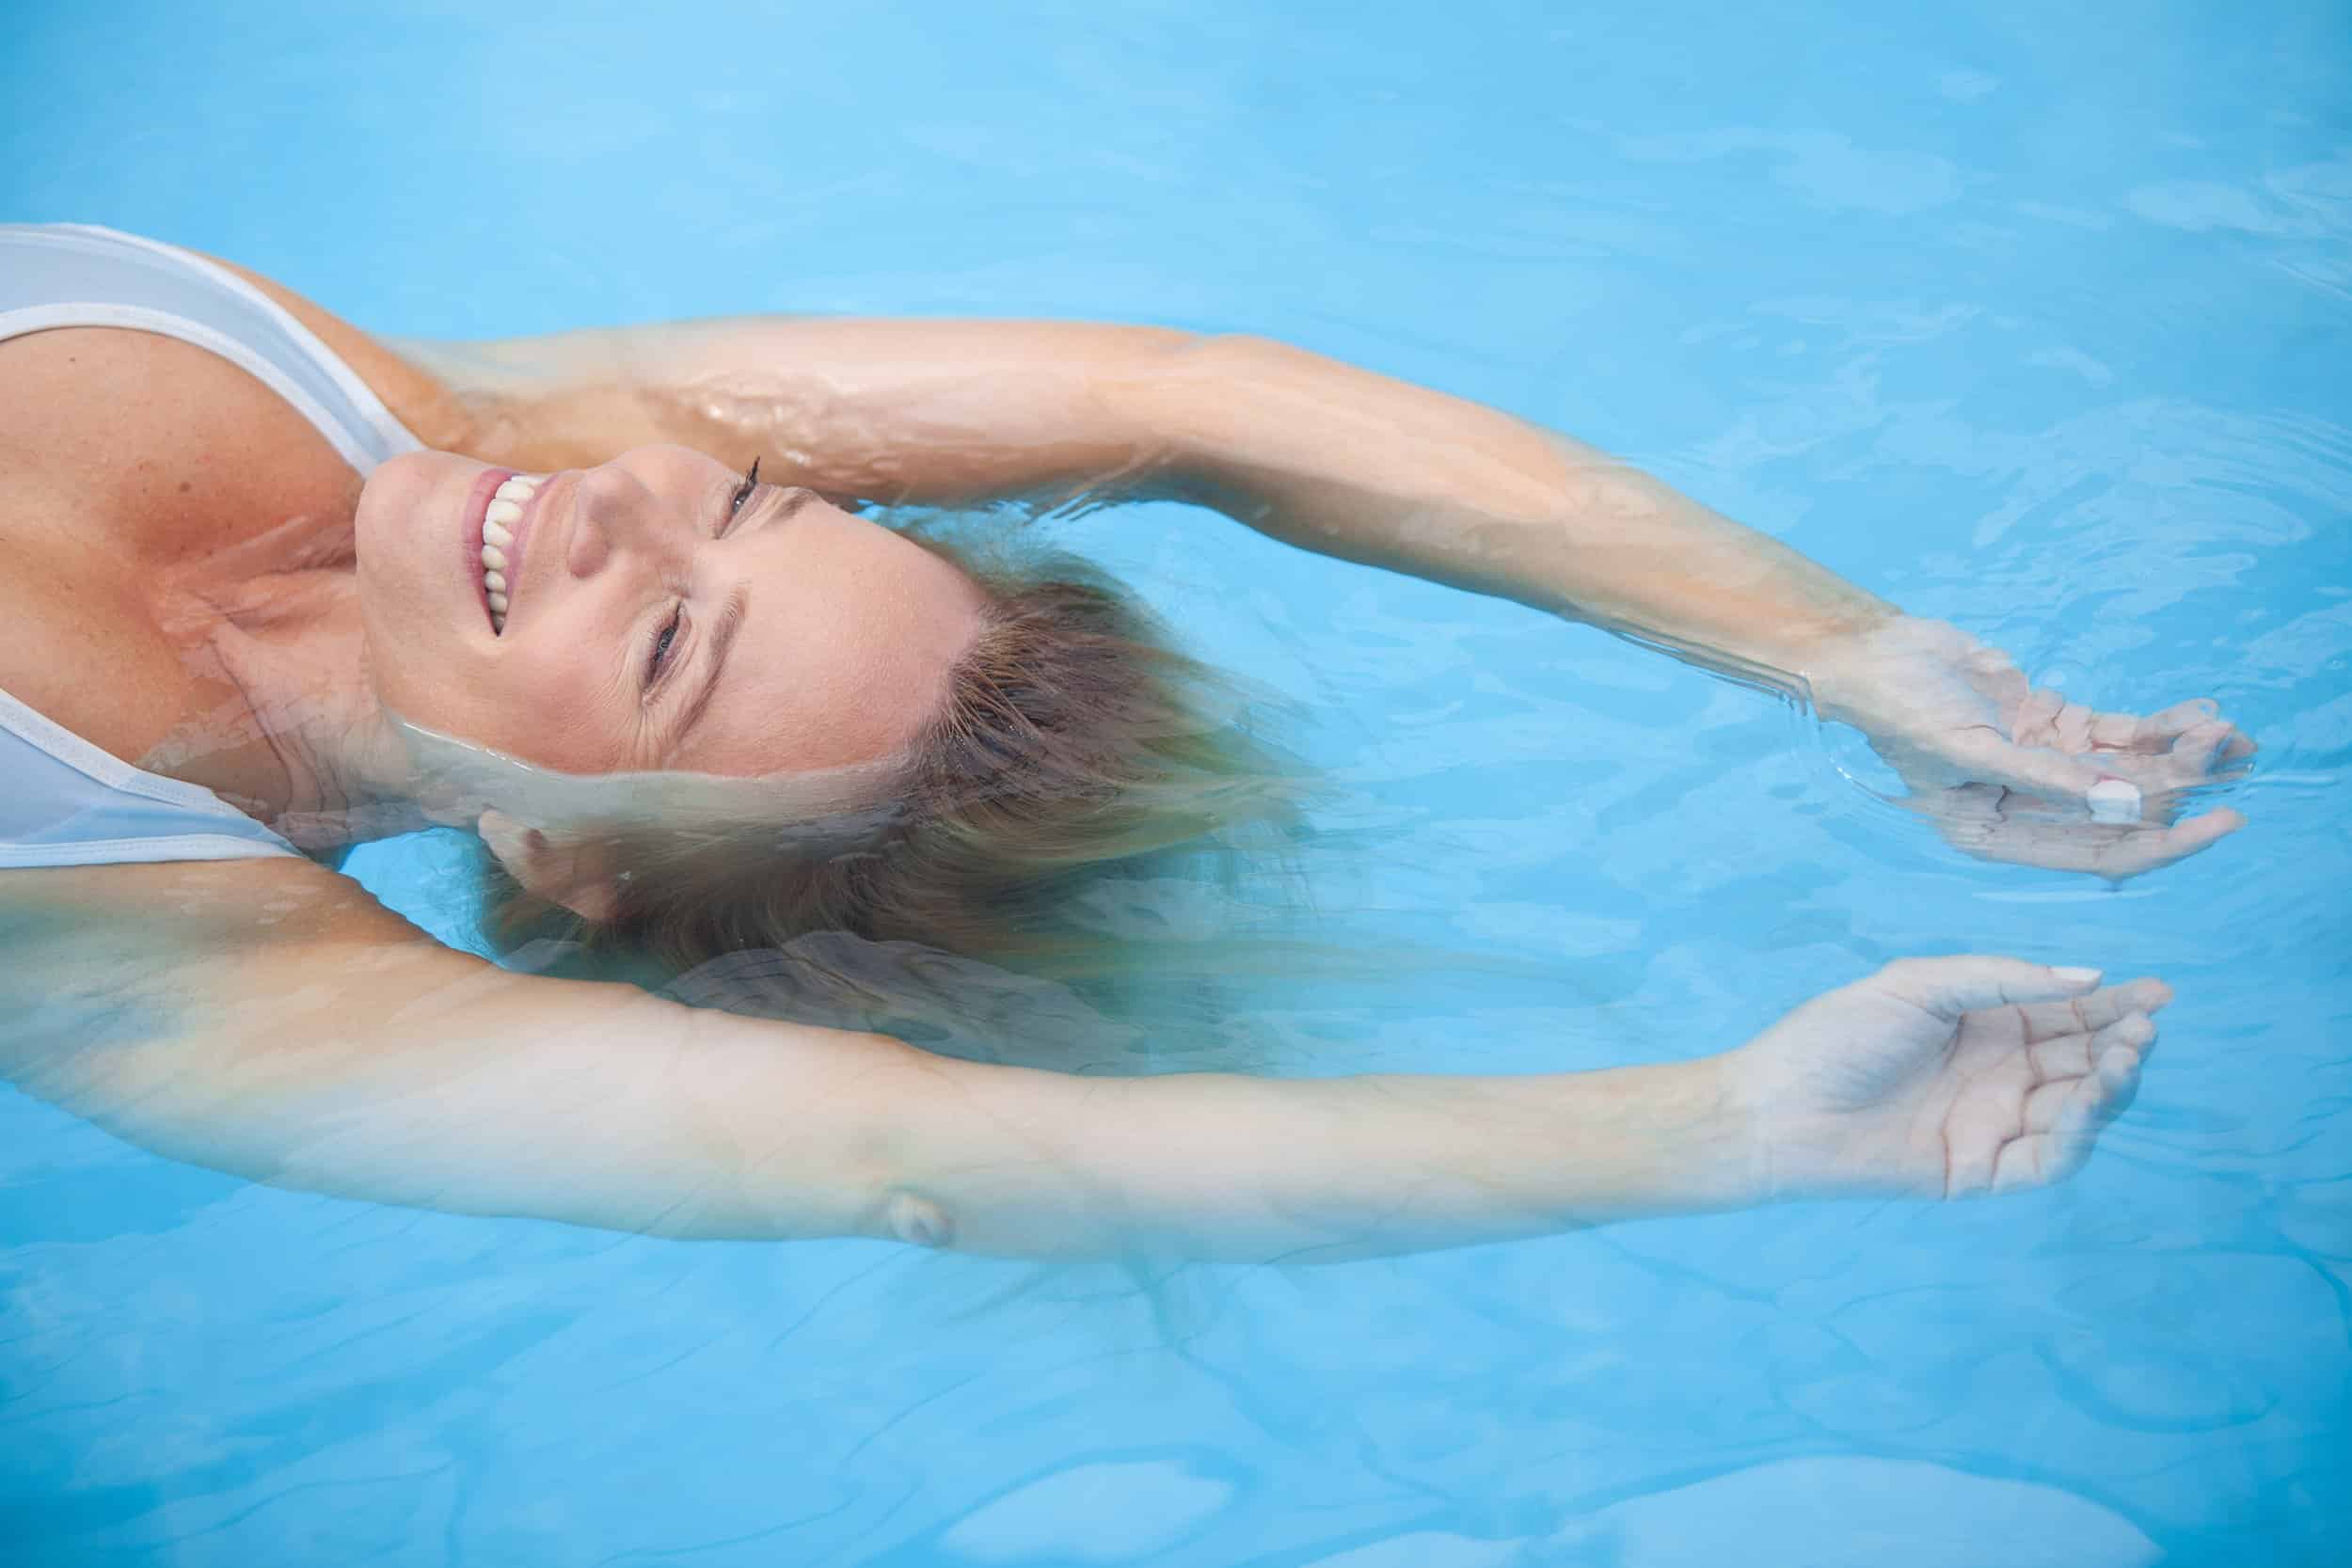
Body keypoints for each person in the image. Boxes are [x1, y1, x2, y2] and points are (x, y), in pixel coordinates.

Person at [0, 222, 2243, 1260]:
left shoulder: (161, 962)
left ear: (561, 861)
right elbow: (1195, 399)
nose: (618, 497)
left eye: (673, 645)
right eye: (752, 507)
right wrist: (1838, 654)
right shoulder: (484, 439)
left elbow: (915, 1154)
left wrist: (1720, 1126)